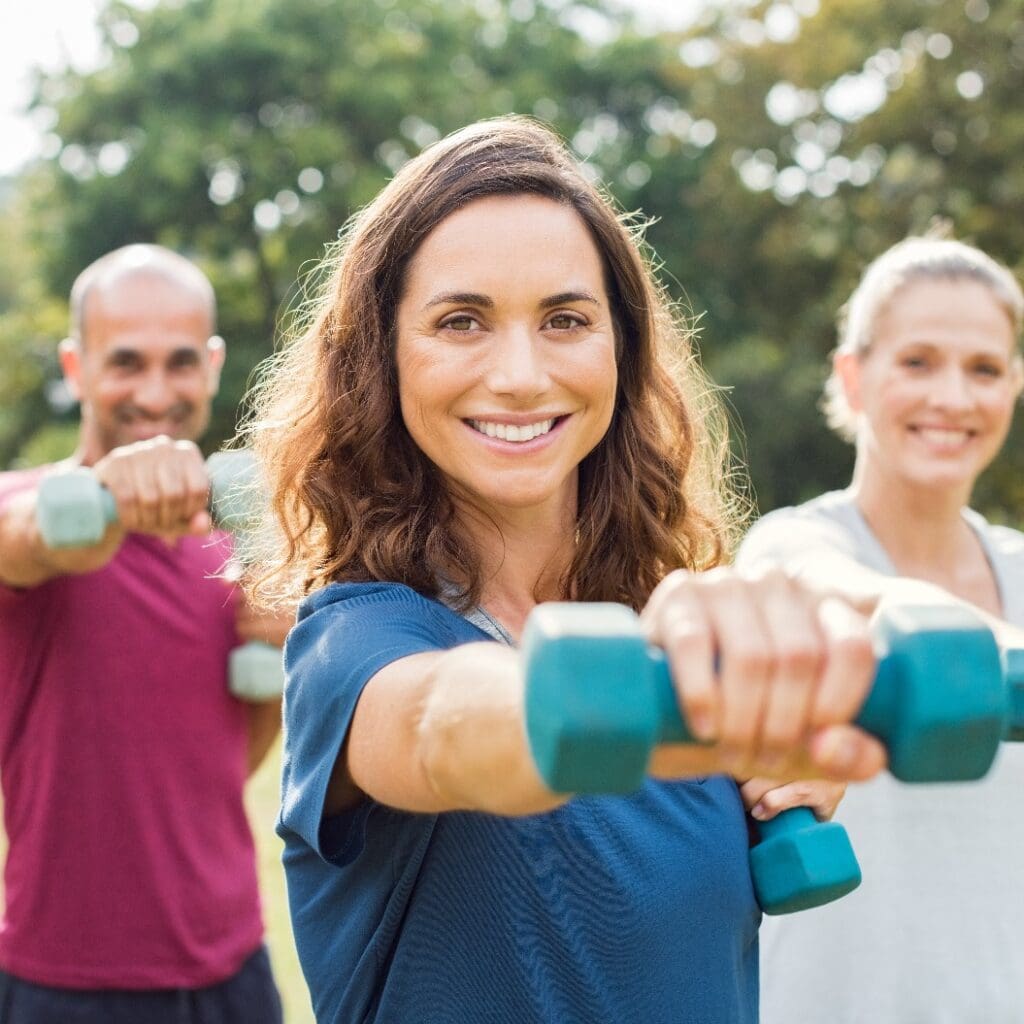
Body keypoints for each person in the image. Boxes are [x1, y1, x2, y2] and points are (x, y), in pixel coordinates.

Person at [245, 116, 894, 1024]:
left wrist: (785, 745)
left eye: (565, 320)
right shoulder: (354, 645)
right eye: (461, 321)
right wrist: (690, 714)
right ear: (381, 359)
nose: (519, 373)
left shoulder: (675, 650)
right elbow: (449, 726)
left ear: (619, 352)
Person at [737, 232, 1024, 1023]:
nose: (954, 399)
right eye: (918, 361)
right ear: (853, 378)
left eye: (985, 369)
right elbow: (830, 588)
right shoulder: (796, 547)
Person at [0, 245, 288, 1023]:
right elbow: (33, 537)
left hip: (233, 967)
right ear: (76, 365)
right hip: (62, 983)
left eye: (180, 362)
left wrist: (270, 651)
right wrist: (102, 493)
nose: (155, 392)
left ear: (213, 364)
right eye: (126, 362)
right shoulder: (21, 508)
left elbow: (221, 765)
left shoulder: (238, 553)